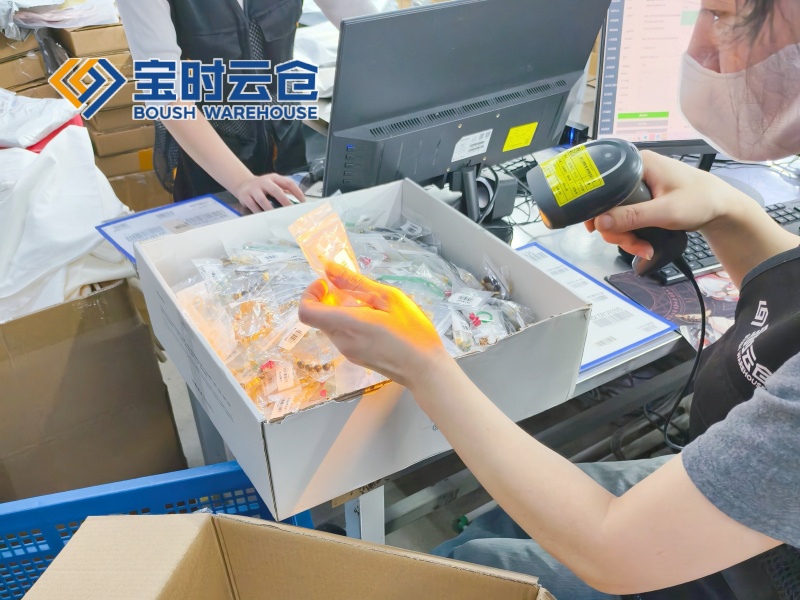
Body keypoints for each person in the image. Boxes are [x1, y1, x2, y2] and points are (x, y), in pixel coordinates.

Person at [297, 0, 800, 597]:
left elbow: (615, 550)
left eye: (720, 14)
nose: (699, 51)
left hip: (760, 573)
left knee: (466, 570)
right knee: (491, 531)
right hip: (744, 486)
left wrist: (424, 365)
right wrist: (729, 212)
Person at [115, 0, 384, 211]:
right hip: (215, 165)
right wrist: (242, 181)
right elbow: (165, 95)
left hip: (288, 149)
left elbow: (369, 27)